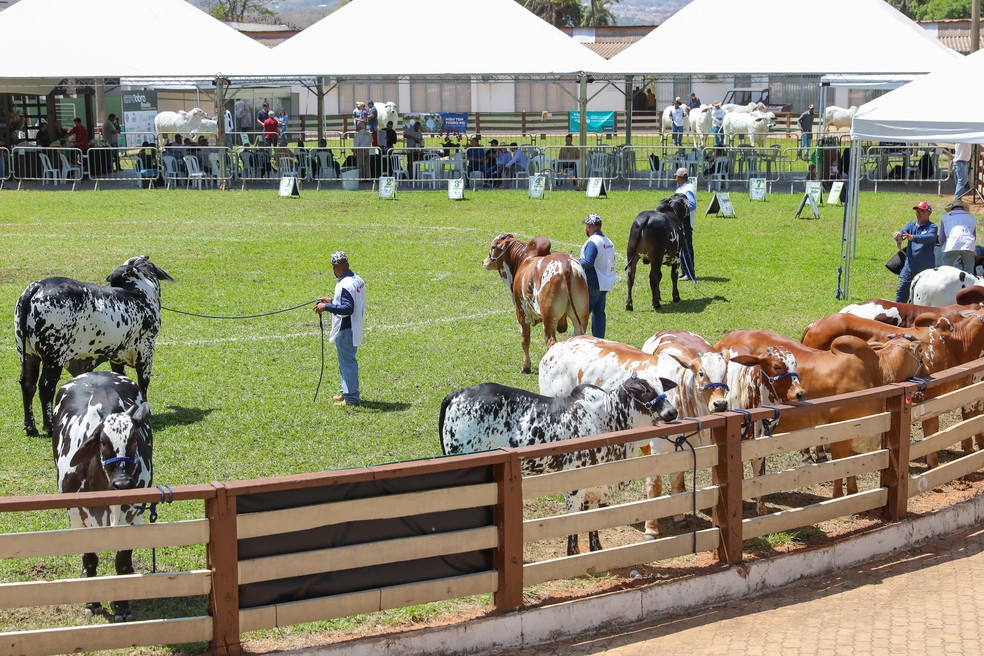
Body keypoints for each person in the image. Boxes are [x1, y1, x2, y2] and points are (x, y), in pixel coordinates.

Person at [314, 251, 366, 408]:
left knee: (347, 363)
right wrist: (331, 300)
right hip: (354, 326)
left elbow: (348, 308)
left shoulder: (344, 284)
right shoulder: (357, 280)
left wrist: (327, 306)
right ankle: (346, 391)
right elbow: (349, 301)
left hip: (346, 329)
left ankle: (351, 398)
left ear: (335, 267)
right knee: (345, 362)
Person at [579, 214, 617, 338]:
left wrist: (573, 261)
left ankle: (575, 340)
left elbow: (588, 262)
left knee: (582, 316)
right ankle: (599, 341)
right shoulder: (608, 241)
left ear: (589, 227)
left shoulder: (593, 242)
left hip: (593, 283)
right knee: (599, 314)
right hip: (605, 283)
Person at [893, 201, 938, 303]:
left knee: (925, 297)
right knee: (901, 293)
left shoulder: (932, 227)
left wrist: (913, 237)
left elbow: (929, 237)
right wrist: (898, 235)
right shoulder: (911, 225)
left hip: (926, 271)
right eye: (917, 211)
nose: (918, 213)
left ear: (929, 213)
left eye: (921, 211)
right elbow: (903, 233)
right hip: (909, 268)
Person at [938, 199, 977, 274]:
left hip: (952, 243)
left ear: (951, 208)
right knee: (969, 272)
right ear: (963, 207)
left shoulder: (945, 217)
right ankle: (969, 284)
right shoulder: (972, 217)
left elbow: (942, 237)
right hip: (968, 244)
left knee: (945, 271)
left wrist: (943, 248)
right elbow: (974, 236)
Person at [674, 167, 697, 280]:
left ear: (679, 177)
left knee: (686, 247)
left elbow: (692, 205)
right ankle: (684, 271)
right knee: (682, 247)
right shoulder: (684, 187)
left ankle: (689, 273)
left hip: (685, 221)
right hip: (681, 220)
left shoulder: (688, 189)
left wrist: (680, 211)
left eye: (676, 176)